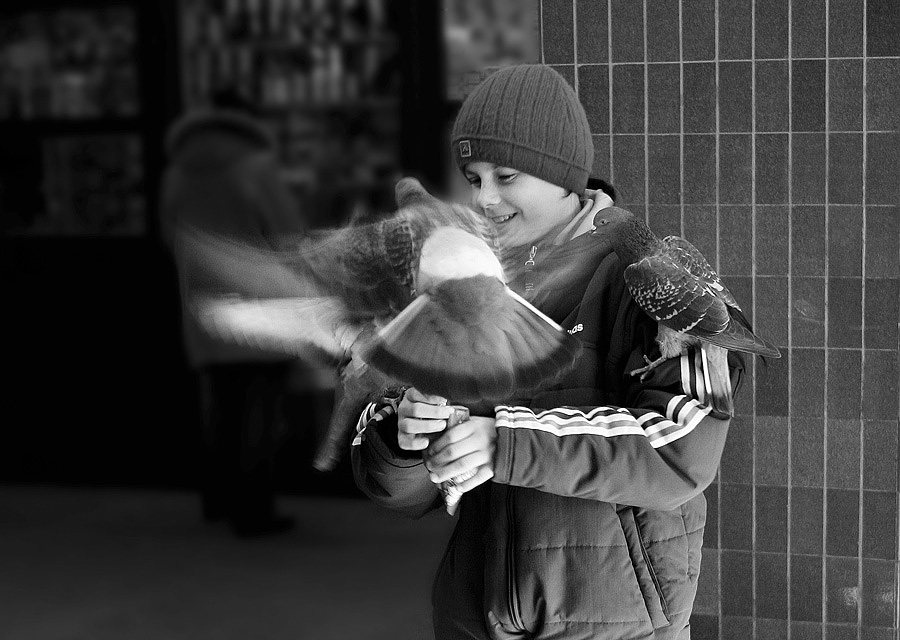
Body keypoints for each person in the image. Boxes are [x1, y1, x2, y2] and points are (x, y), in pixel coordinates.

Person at [351, 64, 744, 639]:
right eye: (473, 176)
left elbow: (681, 456)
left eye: (506, 175)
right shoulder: (460, 277)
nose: (484, 198)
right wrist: (407, 439)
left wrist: (503, 441)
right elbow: (396, 488)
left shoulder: (654, 274)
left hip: (613, 624)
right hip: (473, 616)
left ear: (564, 175)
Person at [159, 88, 306, 537]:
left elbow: (171, 235)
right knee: (258, 409)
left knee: (221, 405)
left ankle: (219, 500)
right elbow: (288, 235)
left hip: (203, 308)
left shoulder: (177, 173)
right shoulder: (257, 168)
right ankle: (254, 510)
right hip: (258, 309)